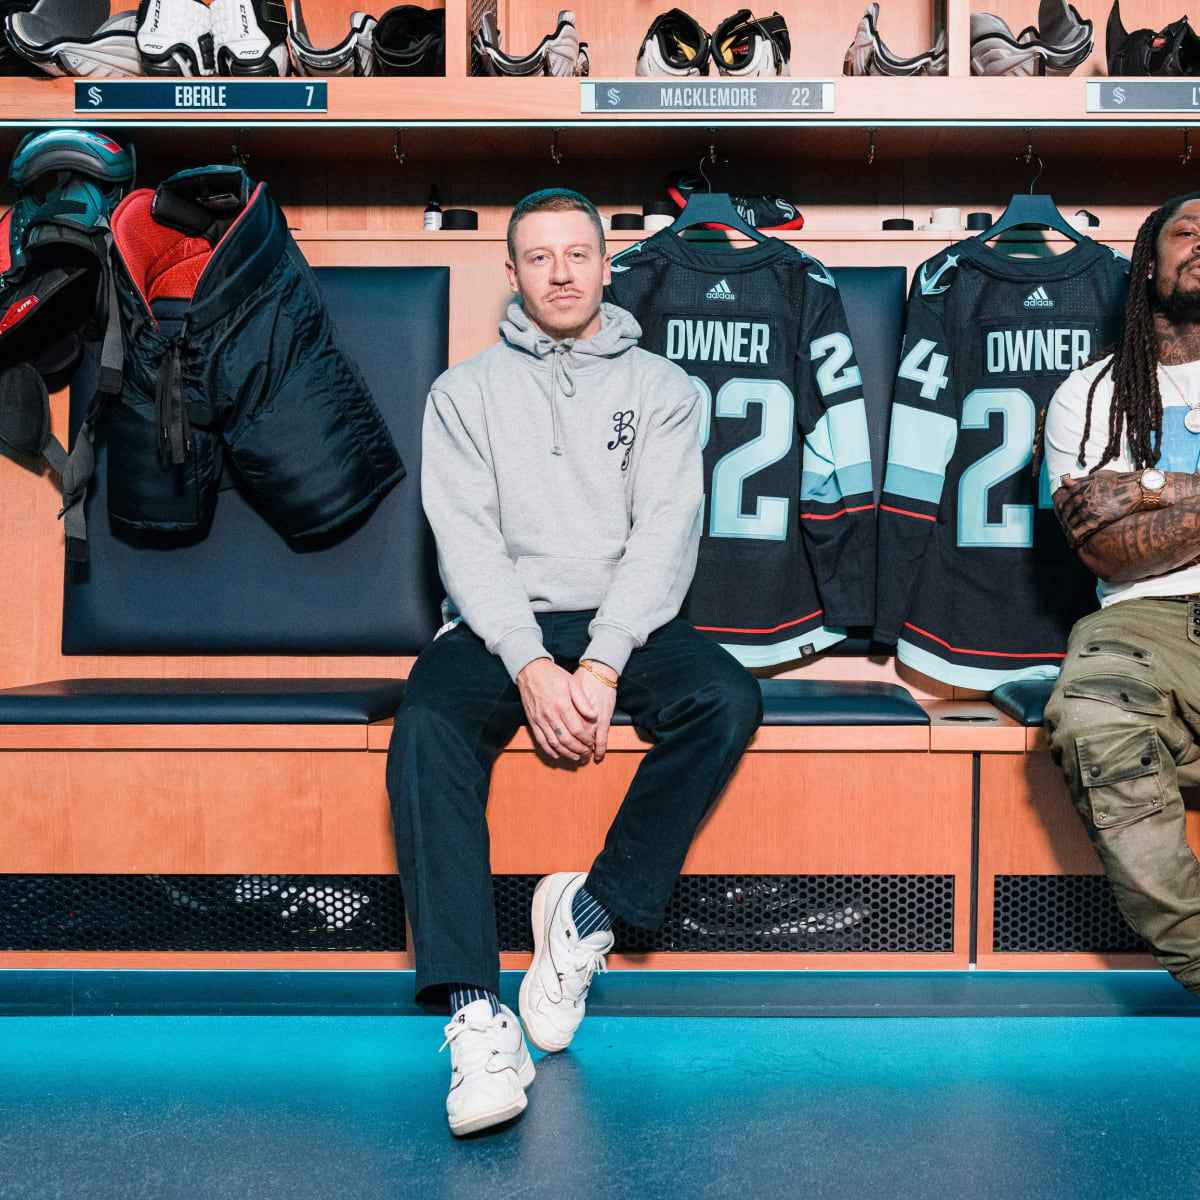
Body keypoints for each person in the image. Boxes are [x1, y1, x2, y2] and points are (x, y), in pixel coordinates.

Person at [386, 188, 763, 1136]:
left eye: (577, 255)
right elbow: (464, 546)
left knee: (725, 697)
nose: (559, 272)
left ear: (606, 266)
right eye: (539, 257)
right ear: (510, 274)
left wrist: (596, 668)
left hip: (625, 623)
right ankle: (478, 1016)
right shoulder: (461, 393)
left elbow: (665, 539)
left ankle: (588, 919)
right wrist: (526, 662)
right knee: (426, 723)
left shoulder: (667, 391)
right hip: (497, 622)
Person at [1044, 189, 1200, 997]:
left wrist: (1147, 487)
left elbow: (1117, 507)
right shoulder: (1090, 391)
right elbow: (1104, 549)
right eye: (1185, 229)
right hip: (1142, 624)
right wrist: (1130, 509)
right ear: (1147, 261)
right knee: (1092, 713)